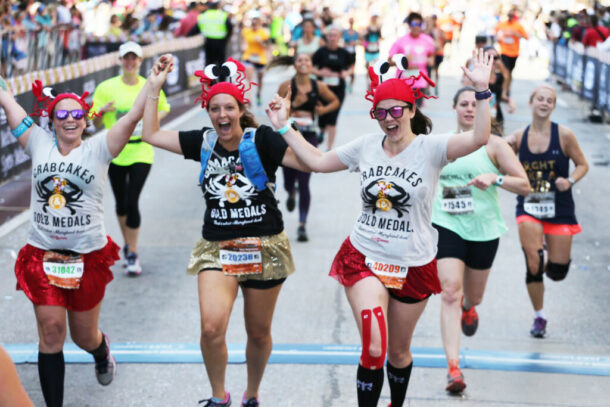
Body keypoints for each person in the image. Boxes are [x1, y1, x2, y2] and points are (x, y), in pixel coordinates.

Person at [267, 49, 493, 407]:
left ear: (411, 110)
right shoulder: (366, 147)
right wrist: (284, 127)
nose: (388, 119)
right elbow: (318, 161)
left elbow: (479, 138)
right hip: (365, 257)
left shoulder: (432, 148)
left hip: (413, 264)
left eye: (396, 111)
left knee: (398, 353)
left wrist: (481, 91)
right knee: (374, 347)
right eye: (380, 112)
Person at [1, 56, 171, 407]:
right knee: (51, 332)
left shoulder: (100, 147)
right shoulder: (37, 142)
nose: (70, 119)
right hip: (43, 254)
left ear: (85, 119)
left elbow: (133, 116)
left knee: (83, 336)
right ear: (51, 120)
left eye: (77, 113)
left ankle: (100, 349)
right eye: (62, 114)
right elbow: (9, 103)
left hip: (86, 257)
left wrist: (153, 83)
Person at [142, 57, 309, 407]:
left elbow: (309, 162)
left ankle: (252, 394)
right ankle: (219, 397)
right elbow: (151, 134)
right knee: (210, 328)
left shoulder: (261, 139)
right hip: (218, 246)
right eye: (215, 108)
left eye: (229, 108)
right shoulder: (202, 142)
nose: (222, 115)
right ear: (208, 112)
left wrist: (284, 127)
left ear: (240, 109)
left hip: (264, 245)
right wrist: (154, 88)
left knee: (258, 333)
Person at [433, 87, 530, 393]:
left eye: (475, 105)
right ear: (454, 108)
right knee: (449, 291)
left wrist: (496, 178)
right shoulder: (443, 144)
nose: (469, 109)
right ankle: (453, 368)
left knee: (472, 296)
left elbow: (525, 185)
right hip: (446, 223)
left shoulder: (496, 145)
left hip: (484, 229)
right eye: (463, 104)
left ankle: (469, 307)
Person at [507, 85, 588, 338]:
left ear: (553, 106)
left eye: (549, 100)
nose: (544, 103)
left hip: (559, 208)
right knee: (533, 264)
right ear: (531, 102)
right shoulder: (519, 137)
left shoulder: (564, 135)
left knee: (557, 272)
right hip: (529, 206)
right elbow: (500, 163)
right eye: (540, 99)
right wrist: (505, 149)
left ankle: (543, 255)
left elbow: (582, 165)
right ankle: (539, 317)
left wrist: (570, 180)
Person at [92, 41, 170, 276]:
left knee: (132, 200)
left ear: (140, 61)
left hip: (141, 151)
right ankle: (128, 244)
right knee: (121, 202)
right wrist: (102, 112)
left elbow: (164, 107)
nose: (130, 62)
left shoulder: (149, 85)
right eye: (126, 58)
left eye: (133, 58)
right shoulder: (106, 87)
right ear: (120, 60)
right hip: (115, 152)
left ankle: (133, 252)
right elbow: (93, 121)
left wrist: (152, 118)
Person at [277, 53, 339, 242]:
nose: (303, 63)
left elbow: (335, 101)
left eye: (307, 60)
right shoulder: (286, 86)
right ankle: (290, 192)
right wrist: (292, 106)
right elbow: (276, 109)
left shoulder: (318, 86)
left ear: (311, 65)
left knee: (304, 181)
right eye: (300, 60)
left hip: (309, 137)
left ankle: (302, 225)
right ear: (295, 64)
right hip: (289, 136)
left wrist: (323, 110)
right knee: (288, 180)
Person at [312, 25, 354, 150]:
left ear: (339, 37)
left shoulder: (343, 53)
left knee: (333, 118)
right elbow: (311, 67)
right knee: (322, 115)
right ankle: (321, 131)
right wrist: (320, 72)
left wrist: (346, 73)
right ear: (327, 37)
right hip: (322, 89)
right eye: (330, 35)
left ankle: (329, 148)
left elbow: (352, 67)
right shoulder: (321, 52)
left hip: (338, 90)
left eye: (335, 36)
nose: (332, 38)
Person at [389, 12, 435, 106]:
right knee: (404, 109)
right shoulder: (400, 41)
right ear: (409, 25)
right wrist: (403, 60)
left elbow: (431, 56)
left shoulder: (427, 40)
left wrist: (430, 60)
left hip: (420, 82)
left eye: (419, 24)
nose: (416, 27)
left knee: (416, 110)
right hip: (403, 82)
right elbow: (389, 61)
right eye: (414, 24)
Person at [495, 10, 528, 96]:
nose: (510, 17)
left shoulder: (518, 25)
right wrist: (499, 38)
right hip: (504, 51)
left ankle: (507, 88)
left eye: (511, 16)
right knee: (505, 71)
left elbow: (526, 37)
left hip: (514, 53)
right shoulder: (502, 25)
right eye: (509, 16)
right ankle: (503, 91)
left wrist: (516, 34)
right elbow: (496, 35)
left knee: (509, 72)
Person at [242, 11, 269, 106]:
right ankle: (248, 98)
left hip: (260, 58)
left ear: (259, 23)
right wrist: (243, 47)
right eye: (252, 23)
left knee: (260, 78)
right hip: (249, 57)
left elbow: (267, 46)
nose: (254, 25)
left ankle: (258, 94)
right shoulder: (246, 31)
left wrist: (260, 41)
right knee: (249, 78)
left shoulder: (264, 32)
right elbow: (243, 42)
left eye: (256, 22)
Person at [195, 1, 233, 67]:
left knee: (209, 61)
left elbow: (196, 29)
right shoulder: (223, 15)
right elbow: (230, 27)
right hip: (220, 41)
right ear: (217, 7)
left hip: (207, 41)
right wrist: (227, 38)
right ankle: (221, 73)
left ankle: (209, 73)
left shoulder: (203, 15)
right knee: (221, 61)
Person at [362, 14, 382, 78]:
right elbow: (364, 38)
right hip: (369, 49)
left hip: (375, 49)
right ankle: (368, 77)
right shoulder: (368, 28)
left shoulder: (378, 28)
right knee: (368, 65)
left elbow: (380, 37)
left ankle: (374, 77)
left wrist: (377, 42)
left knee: (375, 65)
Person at [343, 17, 360, 93]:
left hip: (353, 53)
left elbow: (360, 41)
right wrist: (346, 44)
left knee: (352, 71)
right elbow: (341, 42)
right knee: (344, 69)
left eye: (352, 22)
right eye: (350, 22)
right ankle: (345, 84)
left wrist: (355, 43)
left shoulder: (356, 33)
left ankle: (350, 85)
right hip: (345, 53)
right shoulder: (345, 32)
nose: (351, 23)